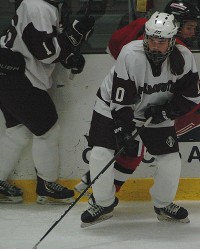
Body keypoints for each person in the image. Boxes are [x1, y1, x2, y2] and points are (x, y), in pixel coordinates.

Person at [80, 11, 200, 227]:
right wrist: (123, 131)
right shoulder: (130, 54)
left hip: (155, 111)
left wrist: (165, 112)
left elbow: (191, 97)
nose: (155, 45)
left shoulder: (184, 58)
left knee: (170, 160)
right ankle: (104, 203)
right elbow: (120, 101)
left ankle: (163, 205)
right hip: (112, 107)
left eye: (161, 41)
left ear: (172, 40)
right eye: (151, 39)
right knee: (100, 153)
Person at [0, 0, 94, 204]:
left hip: (8, 73)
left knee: (18, 131)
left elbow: (41, 43)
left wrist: (68, 55)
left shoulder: (44, 4)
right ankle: (47, 185)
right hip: (19, 77)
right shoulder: (39, 7)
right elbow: (47, 53)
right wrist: (73, 35)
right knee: (48, 129)